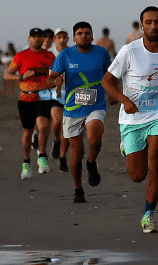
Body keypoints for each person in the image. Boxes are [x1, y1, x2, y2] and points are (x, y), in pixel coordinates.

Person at [102, 6, 158, 234]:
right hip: (132, 117)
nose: (154, 26)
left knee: (156, 158)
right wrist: (124, 100)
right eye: (149, 22)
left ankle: (148, 214)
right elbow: (107, 81)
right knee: (137, 175)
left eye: (157, 21)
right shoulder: (129, 51)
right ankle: (126, 147)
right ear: (142, 26)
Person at [47, 21, 112, 203]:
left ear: (92, 36)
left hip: (96, 105)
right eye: (80, 33)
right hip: (72, 109)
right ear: (74, 38)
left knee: (95, 136)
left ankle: (92, 163)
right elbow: (52, 76)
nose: (84, 36)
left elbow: (111, 74)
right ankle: (78, 189)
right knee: (76, 154)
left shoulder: (101, 53)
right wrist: (57, 80)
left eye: (87, 33)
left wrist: (114, 93)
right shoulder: (65, 54)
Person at [4, 28, 55, 179]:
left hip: (44, 97)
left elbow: (56, 73)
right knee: (27, 132)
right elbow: (7, 75)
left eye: (40, 37)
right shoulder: (21, 56)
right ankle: (26, 162)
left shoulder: (49, 56)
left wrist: (55, 81)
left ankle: (42, 156)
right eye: (34, 37)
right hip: (26, 98)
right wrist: (21, 76)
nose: (37, 39)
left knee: (43, 126)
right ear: (29, 39)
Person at [48, 29, 70, 169]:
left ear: (68, 39)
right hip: (55, 93)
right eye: (59, 37)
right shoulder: (49, 53)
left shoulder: (73, 52)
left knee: (67, 128)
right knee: (56, 122)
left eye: (64, 37)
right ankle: (56, 140)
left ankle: (62, 157)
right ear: (55, 39)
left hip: (71, 94)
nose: (62, 40)